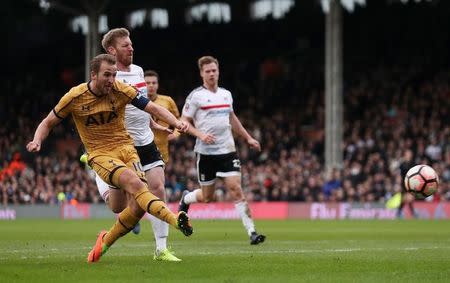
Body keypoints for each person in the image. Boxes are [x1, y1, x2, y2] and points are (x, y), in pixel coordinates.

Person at [26, 54, 193, 263]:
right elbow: (48, 122)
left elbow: (153, 108)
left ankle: (105, 241)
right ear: (93, 74)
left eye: (114, 75)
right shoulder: (75, 96)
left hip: (126, 149)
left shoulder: (120, 89)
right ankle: (176, 221)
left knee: (132, 206)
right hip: (100, 153)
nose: (111, 80)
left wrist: (175, 123)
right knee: (137, 187)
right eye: (107, 75)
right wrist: (37, 140)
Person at [84, 28, 183, 261]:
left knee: (158, 187)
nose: (131, 48)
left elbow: (142, 104)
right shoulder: (108, 77)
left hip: (145, 140)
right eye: (125, 45)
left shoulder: (138, 71)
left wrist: (154, 125)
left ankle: (161, 249)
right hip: (120, 144)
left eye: (131, 44)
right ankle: (99, 171)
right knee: (120, 207)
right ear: (112, 50)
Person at [178, 55, 266, 245]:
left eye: (214, 70)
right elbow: (183, 122)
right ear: (202, 73)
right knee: (208, 197)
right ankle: (187, 197)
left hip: (227, 150)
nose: (211, 74)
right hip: (206, 153)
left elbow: (232, 119)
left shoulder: (226, 94)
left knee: (235, 189)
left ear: (218, 72)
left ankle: (252, 231)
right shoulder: (195, 97)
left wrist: (248, 137)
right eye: (208, 71)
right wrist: (200, 134)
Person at [144, 70, 181, 164]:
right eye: (147, 83)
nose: (151, 85)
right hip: (141, 145)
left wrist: (175, 134)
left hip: (162, 148)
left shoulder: (168, 101)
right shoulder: (136, 101)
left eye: (154, 83)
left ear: (158, 85)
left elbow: (179, 119)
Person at [398, 149, 418, 218]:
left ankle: (400, 213)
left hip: (411, 184)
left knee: (409, 199)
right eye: (408, 154)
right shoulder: (402, 164)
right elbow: (400, 175)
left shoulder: (413, 164)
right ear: (405, 155)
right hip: (403, 184)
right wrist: (399, 185)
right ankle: (400, 213)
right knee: (404, 199)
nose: (409, 155)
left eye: (410, 154)